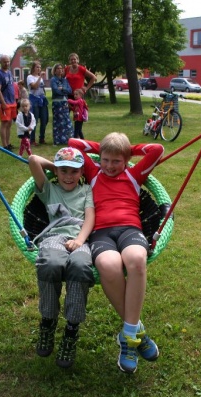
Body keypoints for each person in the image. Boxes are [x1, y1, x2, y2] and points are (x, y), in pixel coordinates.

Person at [68, 133, 164, 374]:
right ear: (99, 158)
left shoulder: (134, 174)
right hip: (100, 233)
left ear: (126, 161)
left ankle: (127, 337)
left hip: (130, 229)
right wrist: (106, 147)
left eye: (116, 161)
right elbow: (74, 144)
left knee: (136, 259)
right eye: (105, 159)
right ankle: (135, 332)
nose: (109, 166)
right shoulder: (93, 172)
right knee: (108, 265)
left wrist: (127, 148)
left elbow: (157, 150)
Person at [28, 147, 95, 369]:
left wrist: (79, 241)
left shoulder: (86, 190)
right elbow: (33, 159)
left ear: (82, 172)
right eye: (63, 171)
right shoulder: (49, 189)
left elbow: (89, 219)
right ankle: (48, 321)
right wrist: (55, 167)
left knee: (81, 265)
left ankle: (71, 331)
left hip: (80, 238)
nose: (68, 176)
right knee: (50, 263)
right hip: (54, 236)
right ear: (56, 172)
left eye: (74, 171)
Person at [0, 55, 17, 150]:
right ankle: (4, 145)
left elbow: (12, 86)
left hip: (12, 101)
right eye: (5, 62)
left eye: (8, 61)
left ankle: (8, 142)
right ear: (0, 62)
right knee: (4, 122)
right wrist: (3, 103)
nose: (7, 63)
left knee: (10, 123)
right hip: (5, 102)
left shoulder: (9, 73)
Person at [50, 64, 73, 146]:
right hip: (57, 103)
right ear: (55, 70)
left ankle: (67, 139)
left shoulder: (65, 80)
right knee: (57, 122)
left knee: (66, 121)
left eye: (61, 68)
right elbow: (56, 91)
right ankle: (57, 140)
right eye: (58, 68)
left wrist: (63, 89)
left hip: (65, 103)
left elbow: (70, 91)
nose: (60, 70)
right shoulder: (53, 80)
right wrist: (63, 91)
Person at [26, 62, 49, 145]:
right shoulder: (30, 77)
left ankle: (41, 138)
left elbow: (41, 87)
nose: (39, 69)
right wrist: (40, 78)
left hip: (42, 99)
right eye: (37, 67)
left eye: (40, 67)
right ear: (33, 68)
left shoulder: (40, 77)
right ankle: (32, 140)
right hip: (34, 100)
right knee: (34, 120)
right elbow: (34, 87)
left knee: (45, 119)